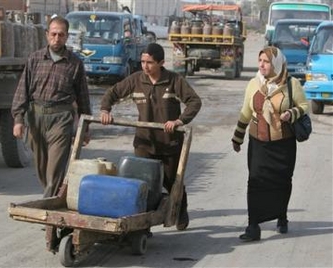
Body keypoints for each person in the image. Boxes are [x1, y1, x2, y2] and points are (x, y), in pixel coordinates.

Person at [100, 43, 202, 230]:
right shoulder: (136, 80)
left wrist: (179, 121)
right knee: (142, 185)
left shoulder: (174, 80)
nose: (145, 66)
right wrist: (105, 110)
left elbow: (194, 102)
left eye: (150, 63)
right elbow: (112, 92)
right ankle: (143, 226)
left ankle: (181, 210)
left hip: (169, 142)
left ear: (161, 63)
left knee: (172, 182)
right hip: (144, 143)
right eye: (143, 62)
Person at [231, 46, 309, 242]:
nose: (261, 65)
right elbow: (246, 112)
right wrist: (237, 138)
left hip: (284, 145)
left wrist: (291, 113)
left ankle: (281, 216)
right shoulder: (253, 84)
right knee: (255, 181)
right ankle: (253, 226)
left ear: (275, 63)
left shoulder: (291, 84)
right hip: (258, 144)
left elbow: (304, 106)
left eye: (266, 61)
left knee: (282, 182)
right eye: (260, 61)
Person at [11, 16, 92, 197]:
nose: (57, 38)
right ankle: (53, 200)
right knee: (42, 168)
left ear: (66, 36)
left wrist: (85, 129)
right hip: (36, 118)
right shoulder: (35, 59)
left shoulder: (75, 63)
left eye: (61, 35)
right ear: (47, 35)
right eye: (53, 34)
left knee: (55, 168)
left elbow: (83, 98)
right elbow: (22, 90)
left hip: (61, 119)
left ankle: (48, 212)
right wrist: (18, 119)